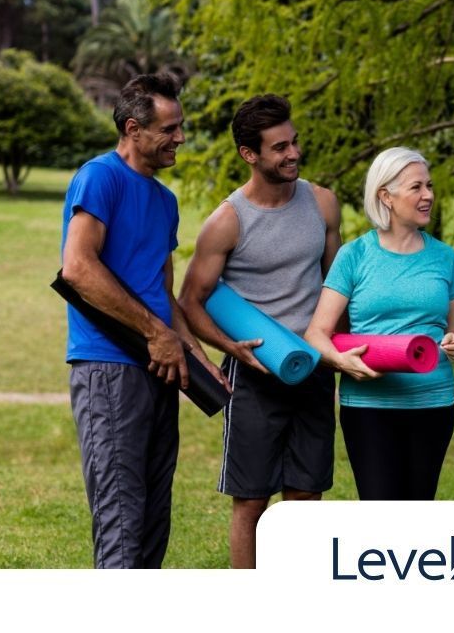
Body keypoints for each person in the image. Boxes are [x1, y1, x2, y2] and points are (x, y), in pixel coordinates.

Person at [60, 72, 224, 568]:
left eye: (181, 127)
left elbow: (161, 292)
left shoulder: (164, 200)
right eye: (169, 129)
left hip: (161, 367)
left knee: (153, 518)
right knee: (122, 520)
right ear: (133, 128)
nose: (180, 138)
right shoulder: (99, 177)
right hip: (109, 366)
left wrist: (196, 356)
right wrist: (156, 335)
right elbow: (79, 268)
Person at [177, 94, 342, 568]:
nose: (292, 153)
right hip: (254, 374)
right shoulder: (227, 221)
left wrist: (345, 350)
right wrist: (230, 346)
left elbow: (338, 288)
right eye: (279, 147)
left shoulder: (323, 204)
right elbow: (191, 299)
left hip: (311, 369)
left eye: (294, 142)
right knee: (251, 502)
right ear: (250, 154)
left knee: (307, 497)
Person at [304, 147, 454, 500]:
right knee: (380, 512)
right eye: (416, 187)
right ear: (385, 196)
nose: (428, 196)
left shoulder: (445, 257)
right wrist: (341, 361)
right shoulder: (355, 255)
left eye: (430, 186)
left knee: (418, 507)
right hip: (369, 406)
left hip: (434, 402)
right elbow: (317, 333)